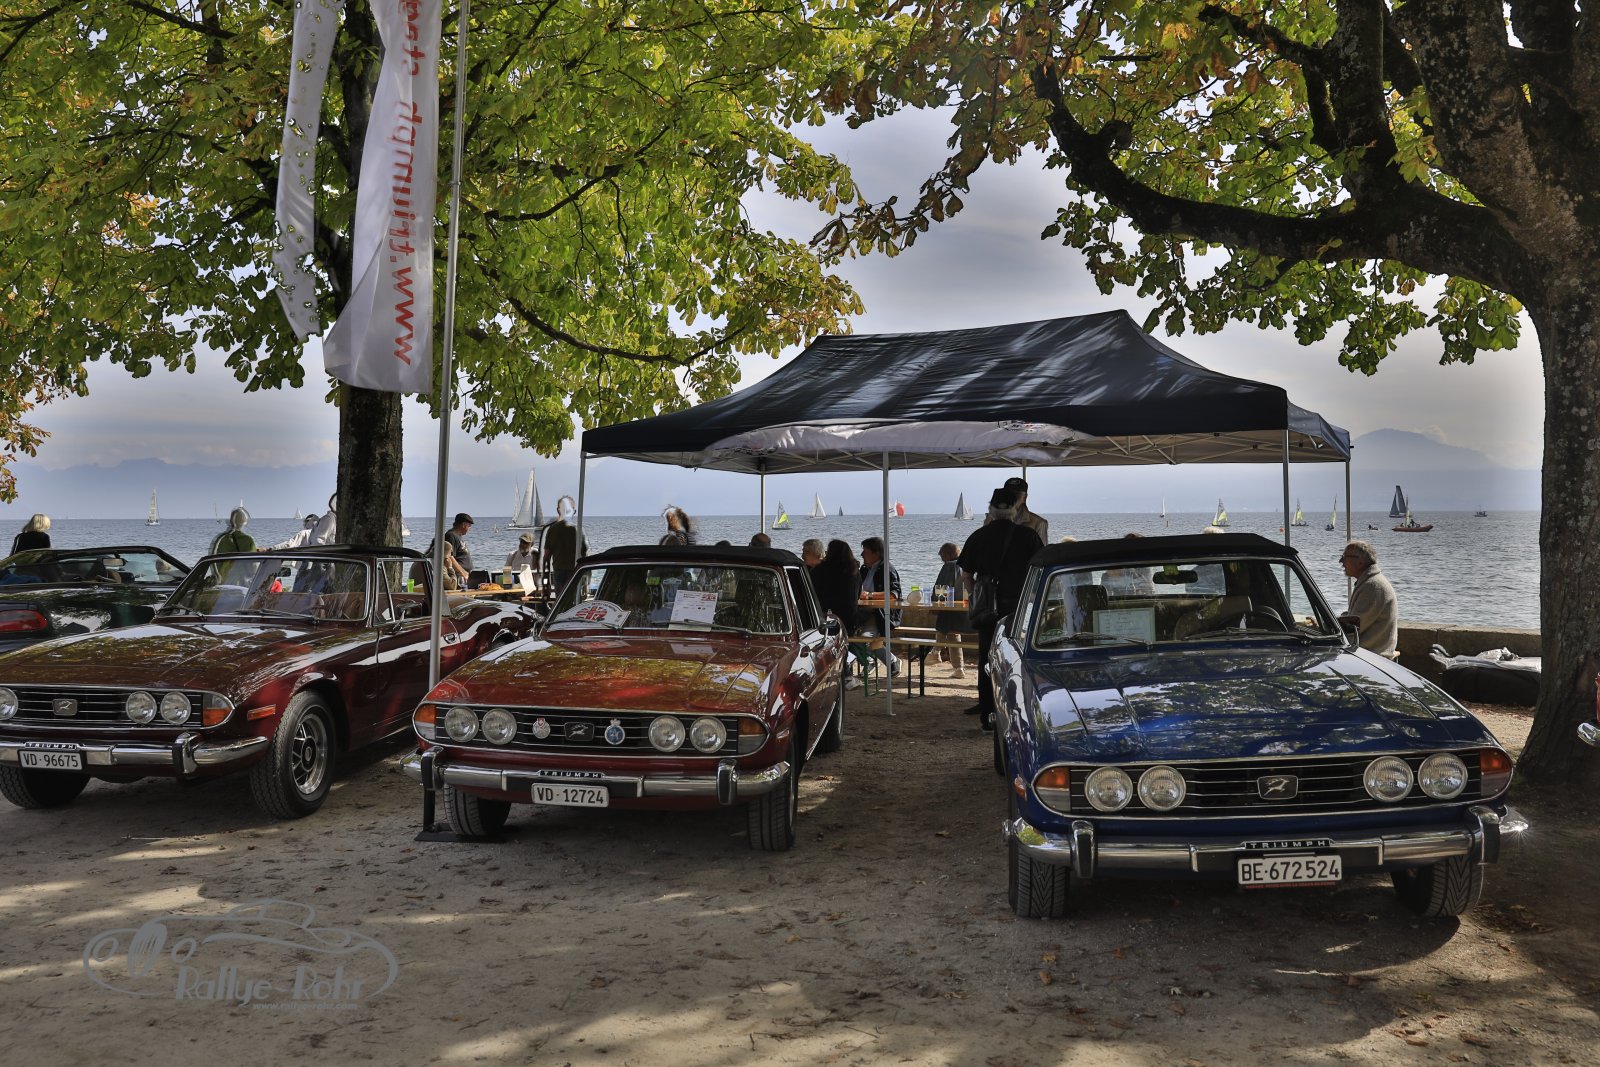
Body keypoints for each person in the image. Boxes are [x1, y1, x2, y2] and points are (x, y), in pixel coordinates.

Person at [958, 487, 1045, 726]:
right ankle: (1020, 713)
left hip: (988, 610)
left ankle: (988, 715)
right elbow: (1039, 575)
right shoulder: (1028, 536)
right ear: (1015, 509)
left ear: (991, 510)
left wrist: (977, 595)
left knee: (987, 660)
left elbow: (966, 575)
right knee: (1020, 660)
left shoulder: (978, 536)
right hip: (1020, 609)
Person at [810, 540, 862, 687]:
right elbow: (858, 594)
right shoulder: (854, 570)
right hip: (849, 619)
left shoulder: (820, 570)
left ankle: (841, 671)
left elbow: (814, 593)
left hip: (825, 618)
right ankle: (847, 673)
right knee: (847, 640)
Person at [1341, 540, 1398, 656]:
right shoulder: (1369, 582)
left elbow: (1353, 628)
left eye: (1345, 557)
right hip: (1368, 651)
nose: (1341, 561)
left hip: (1372, 655)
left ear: (1360, 562)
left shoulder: (1372, 586)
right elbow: (1354, 618)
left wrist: (1325, 627)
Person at [857, 536, 902, 676]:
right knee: (846, 634)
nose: (861, 554)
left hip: (879, 613)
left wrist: (869, 595)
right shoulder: (864, 569)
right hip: (861, 612)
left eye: (865, 551)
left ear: (876, 553)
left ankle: (892, 660)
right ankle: (869, 660)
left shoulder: (887, 569)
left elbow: (894, 594)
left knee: (865, 638)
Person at [933, 542, 970, 678]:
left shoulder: (949, 566)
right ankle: (958, 668)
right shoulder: (968, 566)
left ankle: (935, 651)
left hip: (953, 615)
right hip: (968, 616)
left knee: (944, 623)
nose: (942, 561)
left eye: (942, 557)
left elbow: (941, 589)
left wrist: (934, 601)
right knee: (953, 633)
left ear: (947, 555)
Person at [541, 495, 586, 593]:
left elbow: (546, 557)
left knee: (561, 599)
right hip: (576, 571)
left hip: (559, 571)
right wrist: (586, 582)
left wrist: (546, 580)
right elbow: (585, 555)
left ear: (558, 510)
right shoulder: (579, 530)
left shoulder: (552, 530)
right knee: (574, 599)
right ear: (574, 511)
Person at [1003, 477, 1048, 542]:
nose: (1012, 497)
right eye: (1008, 493)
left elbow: (1042, 548)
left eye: (1017, 493)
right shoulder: (993, 519)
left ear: (1025, 497)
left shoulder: (1039, 523)